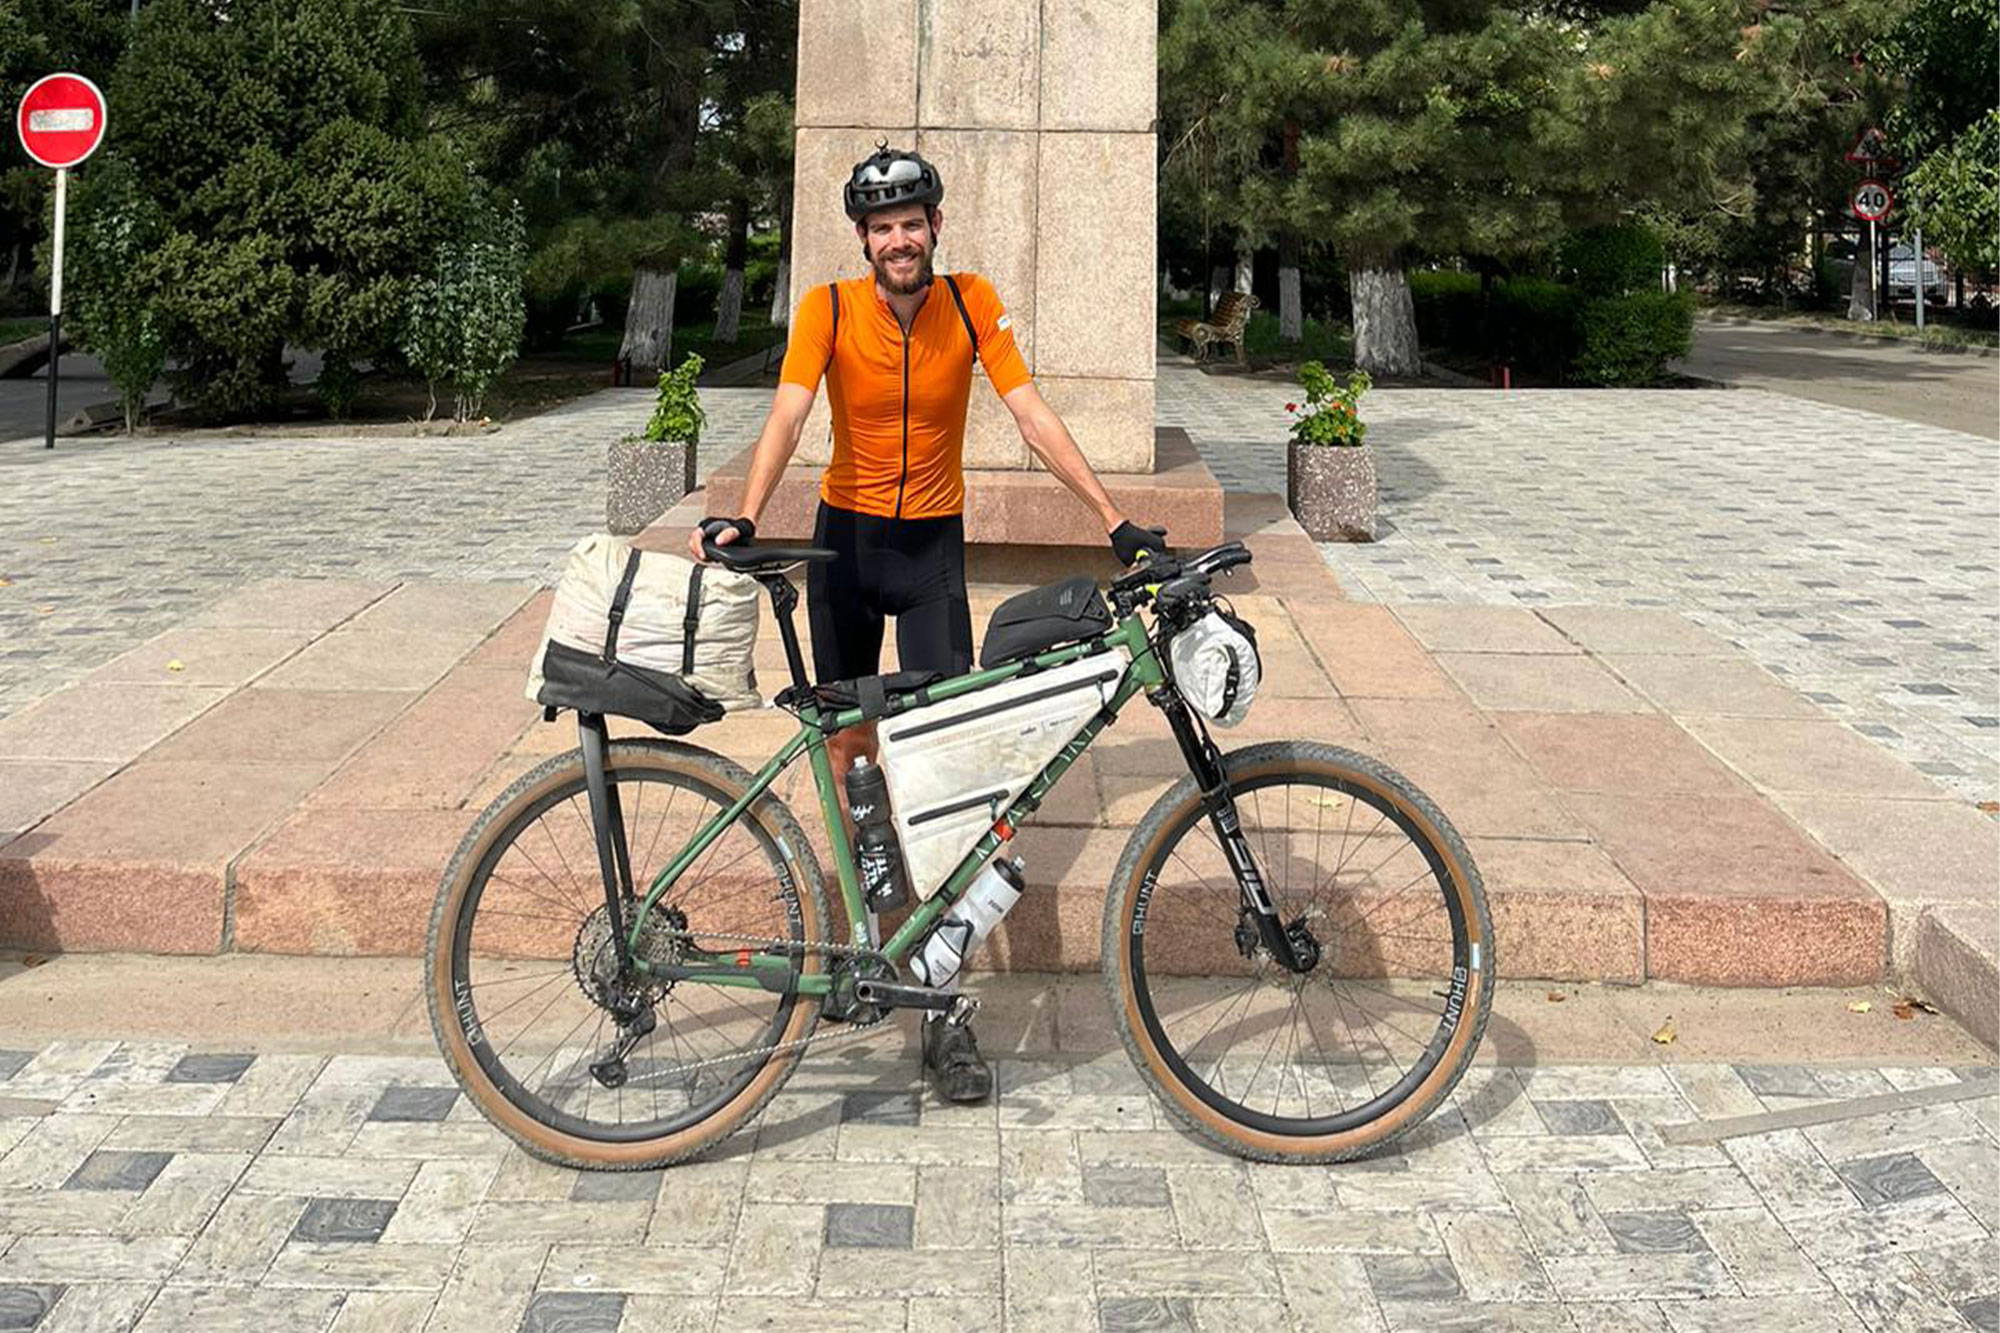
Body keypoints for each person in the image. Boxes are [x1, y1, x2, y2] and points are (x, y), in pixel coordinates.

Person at [690, 143, 1164, 1104]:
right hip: (845, 550)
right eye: (882, 226)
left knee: (949, 765)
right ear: (863, 238)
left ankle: (942, 1005)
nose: (899, 239)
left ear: (934, 228)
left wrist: (1112, 520)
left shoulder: (970, 300)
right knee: (853, 754)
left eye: (913, 222)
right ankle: (872, 943)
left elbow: (1029, 412)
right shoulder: (827, 309)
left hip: (931, 555)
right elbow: (787, 413)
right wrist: (748, 508)